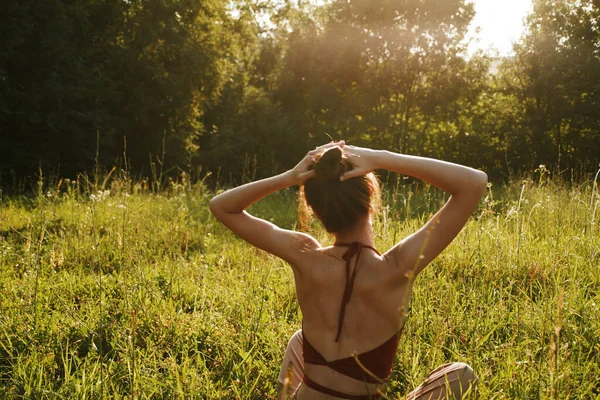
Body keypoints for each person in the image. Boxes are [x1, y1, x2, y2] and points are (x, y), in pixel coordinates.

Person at [209, 142, 487, 399]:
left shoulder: (304, 254)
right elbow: (474, 182)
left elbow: (222, 207)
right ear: (371, 200)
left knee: (299, 340)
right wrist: (382, 158)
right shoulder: (397, 266)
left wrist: (290, 177)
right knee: (461, 373)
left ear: (316, 212)